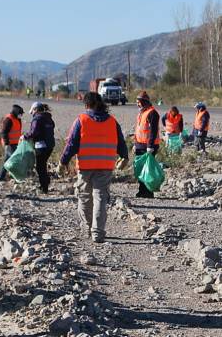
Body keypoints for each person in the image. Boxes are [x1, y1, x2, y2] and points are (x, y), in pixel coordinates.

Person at [58, 92, 128, 243]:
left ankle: (86, 228)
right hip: (105, 166)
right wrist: (124, 157)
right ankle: (97, 232)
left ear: (86, 104)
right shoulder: (112, 122)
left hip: (85, 167)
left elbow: (71, 144)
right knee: (101, 198)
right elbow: (121, 142)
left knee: (84, 198)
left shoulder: (81, 120)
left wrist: (63, 161)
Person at [23, 102, 55, 193]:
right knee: (43, 165)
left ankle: (44, 188)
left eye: (32, 111)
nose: (32, 113)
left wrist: (25, 136)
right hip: (50, 145)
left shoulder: (37, 119)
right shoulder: (48, 118)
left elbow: (34, 132)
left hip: (41, 146)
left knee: (40, 167)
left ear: (36, 109)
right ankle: (46, 182)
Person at [134, 91, 160, 198]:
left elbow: (153, 131)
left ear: (144, 102)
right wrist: (135, 144)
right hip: (140, 145)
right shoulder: (142, 113)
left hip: (148, 147)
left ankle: (148, 192)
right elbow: (138, 130)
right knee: (140, 170)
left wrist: (150, 146)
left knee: (147, 170)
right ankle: (142, 191)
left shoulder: (152, 113)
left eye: (138, 102)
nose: (137, 104)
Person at [0, 105, 24, 181]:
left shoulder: (17, 119)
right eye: (20, 113)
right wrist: (6, 143)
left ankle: (0, 176)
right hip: (9, 144)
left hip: (15, 143)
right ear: (16, 112)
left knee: (7, 160)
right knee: (15, 160)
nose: (21, 115)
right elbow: (4, 132)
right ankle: (18, 177)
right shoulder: (9, 119)